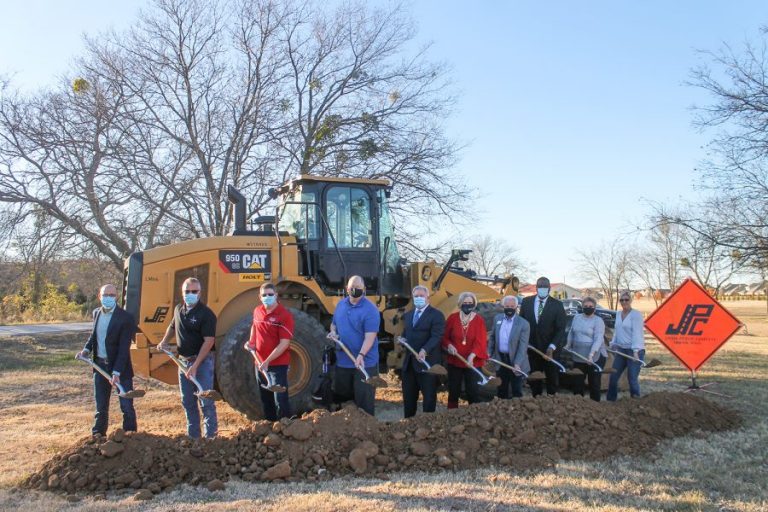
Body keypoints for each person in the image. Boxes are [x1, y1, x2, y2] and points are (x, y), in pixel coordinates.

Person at [158, 277, 218, 438]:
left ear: (200, 293)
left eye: (194, 291)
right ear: (182, 292)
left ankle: (211, 438)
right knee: (188, 401)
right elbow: (172, 326)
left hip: (202, 362)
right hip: (183, 362)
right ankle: (193, 437)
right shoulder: (178, 309)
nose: (190, 294)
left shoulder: (206, 314)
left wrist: (196, 365)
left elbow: (209, 341)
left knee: (205, 400)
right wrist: (164, 341)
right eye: (187, 291)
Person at [77, 284, 137, 436]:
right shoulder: (96, 313)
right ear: (99, 296)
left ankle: (131, 438)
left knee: (126, 406)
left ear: (116, 297)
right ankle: (97, 436)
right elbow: (94, 336)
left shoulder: (126, 318)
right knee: (101, 407)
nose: (108, 298)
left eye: (111, 295)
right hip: (100, 367)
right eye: (105, 295)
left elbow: (124, 348)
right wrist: (86, 350)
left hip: (120, 369)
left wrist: (116, 372)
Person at [329, 275, 380, 415]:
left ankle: (367, 432)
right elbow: (333, 324)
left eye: (358, 288)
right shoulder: (341, 305)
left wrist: (361, 355)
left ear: (363, 289)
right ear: (347, 289)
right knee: (343, 401)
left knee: (364, 404)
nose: (354, 290)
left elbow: (370, 337)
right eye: (352, 287)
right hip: (343, 362)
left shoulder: (371, 310)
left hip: (364, 363)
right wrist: (333, 332)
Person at [247, 282, 294, 421]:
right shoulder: (257, 311)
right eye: (264, 295)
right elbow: (255, 326)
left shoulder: (284, 316)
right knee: (265, 398)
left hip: (277, 365)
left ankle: (285, 425)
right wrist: (251, 342)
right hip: (260, 364)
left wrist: (267, 361)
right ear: (260, 297)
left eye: (270, 294)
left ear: (276, 295)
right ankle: (270, 426)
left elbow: (284, 343)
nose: (267, 297)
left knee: (280, 399)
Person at [400, 285, 446, 418]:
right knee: (408, 398)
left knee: (429, 397)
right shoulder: (408, 316)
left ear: (428, 298)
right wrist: (402, 340)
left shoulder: (437, 315)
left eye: (421, 296)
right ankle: (408, 423)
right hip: (409, 365)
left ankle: (428, 424)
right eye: (416, 296)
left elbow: (436, 336)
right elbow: (406, 333)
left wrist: (425, 350)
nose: (419, 298)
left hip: (427, 364)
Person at [519, 277, 567, 396]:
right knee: (535, 379)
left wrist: (551, 347)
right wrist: (525, 343)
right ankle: (537, 401)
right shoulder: (526, 302)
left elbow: (561, 329)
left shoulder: (557, 305)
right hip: (533, 349)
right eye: (540, 286)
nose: (542, 289)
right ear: (536, 288)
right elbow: (522, 324)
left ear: (549, 288)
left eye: (545, 287)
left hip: (550, 351)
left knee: (552, 379)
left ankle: (551, 402)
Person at [441, 291, 488, 409]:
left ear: (474, 304)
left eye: (470, 303)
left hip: (472, 363)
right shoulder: (452, 318)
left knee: (472, 391)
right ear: (460, 303)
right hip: (455, 361)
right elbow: (444, 337)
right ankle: (452, 415)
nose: (467, 305)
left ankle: (474, 416)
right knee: (453, 391)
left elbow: (480, 342)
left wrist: (471, 357)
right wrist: (449, 345)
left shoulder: (479, 320)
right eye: (465, 302)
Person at [564, 296, 607, 401]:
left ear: (595, 308)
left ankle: (595, 406)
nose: (588, 307)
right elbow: (571, 332)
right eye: (586, 306)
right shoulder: (577, 317)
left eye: (591, 306)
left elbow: (598, 339)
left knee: (594, 383)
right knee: (577, 383)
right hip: (578, 355)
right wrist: (568, 345)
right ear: (582, 307)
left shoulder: (598, 321)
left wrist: (591, 355)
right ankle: (579, 405)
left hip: (595, 356)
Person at [487, 295, 530, 399]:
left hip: (516, 361)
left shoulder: (523, 324)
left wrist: (517, 363)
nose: (509, 308)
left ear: (516, 307)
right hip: (501, 360)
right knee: (501, 389)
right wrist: (489, 352)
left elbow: (523, 346)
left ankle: (517, 413)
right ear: (503, 307)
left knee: (516, 390)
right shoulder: (497, 319)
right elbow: (492, 337)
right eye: (507, 306)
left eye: (512, 306)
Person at [607, 291, 645, 401]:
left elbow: (637, 333)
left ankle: (636, 401)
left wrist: (635, 351)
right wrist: (613, 343)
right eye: (622, 300)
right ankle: (610, 401)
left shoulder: (636, 314)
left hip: (635, 351)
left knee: (632, 378)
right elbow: (617, 331)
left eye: (626, 299)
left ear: (631, 300)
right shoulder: (618, 314)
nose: (624, 302)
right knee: (613, 376)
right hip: (621, 350)